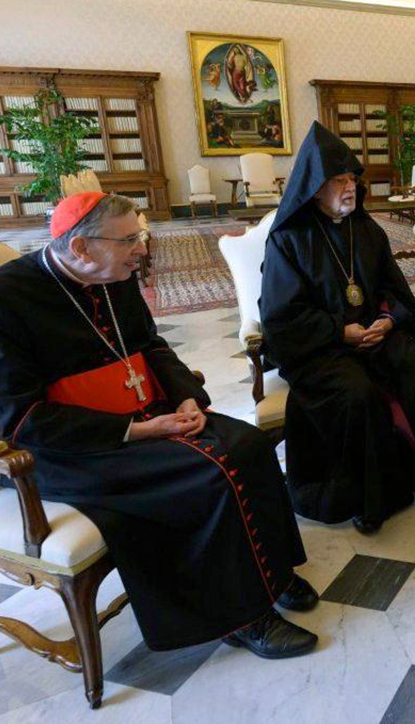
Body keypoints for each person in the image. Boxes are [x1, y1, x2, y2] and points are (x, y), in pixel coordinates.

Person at [0, 193, 318, 659]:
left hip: (149, 413)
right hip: (71, 450)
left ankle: (273, 573)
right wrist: (137, 431)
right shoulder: (9, 297)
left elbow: (150, 345)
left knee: (249, 443)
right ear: (82, 248)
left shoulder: (114, 273)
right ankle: (242, 618)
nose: (142, 250)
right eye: (129, 240)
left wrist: (187, 396)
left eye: (141, 236)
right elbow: (20, 417)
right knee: (209, 471)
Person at [260, 122, 415, 535]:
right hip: (321, 349)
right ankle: (371, 498)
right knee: (357, 394)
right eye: (338, 181)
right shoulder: (288, 240)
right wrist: (340, 332)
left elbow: (396, 291)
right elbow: (281, 316)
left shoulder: (367, 230)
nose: (350, 189)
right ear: (315, 188)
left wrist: (388, 320)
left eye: (352, 180)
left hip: (375, 337)